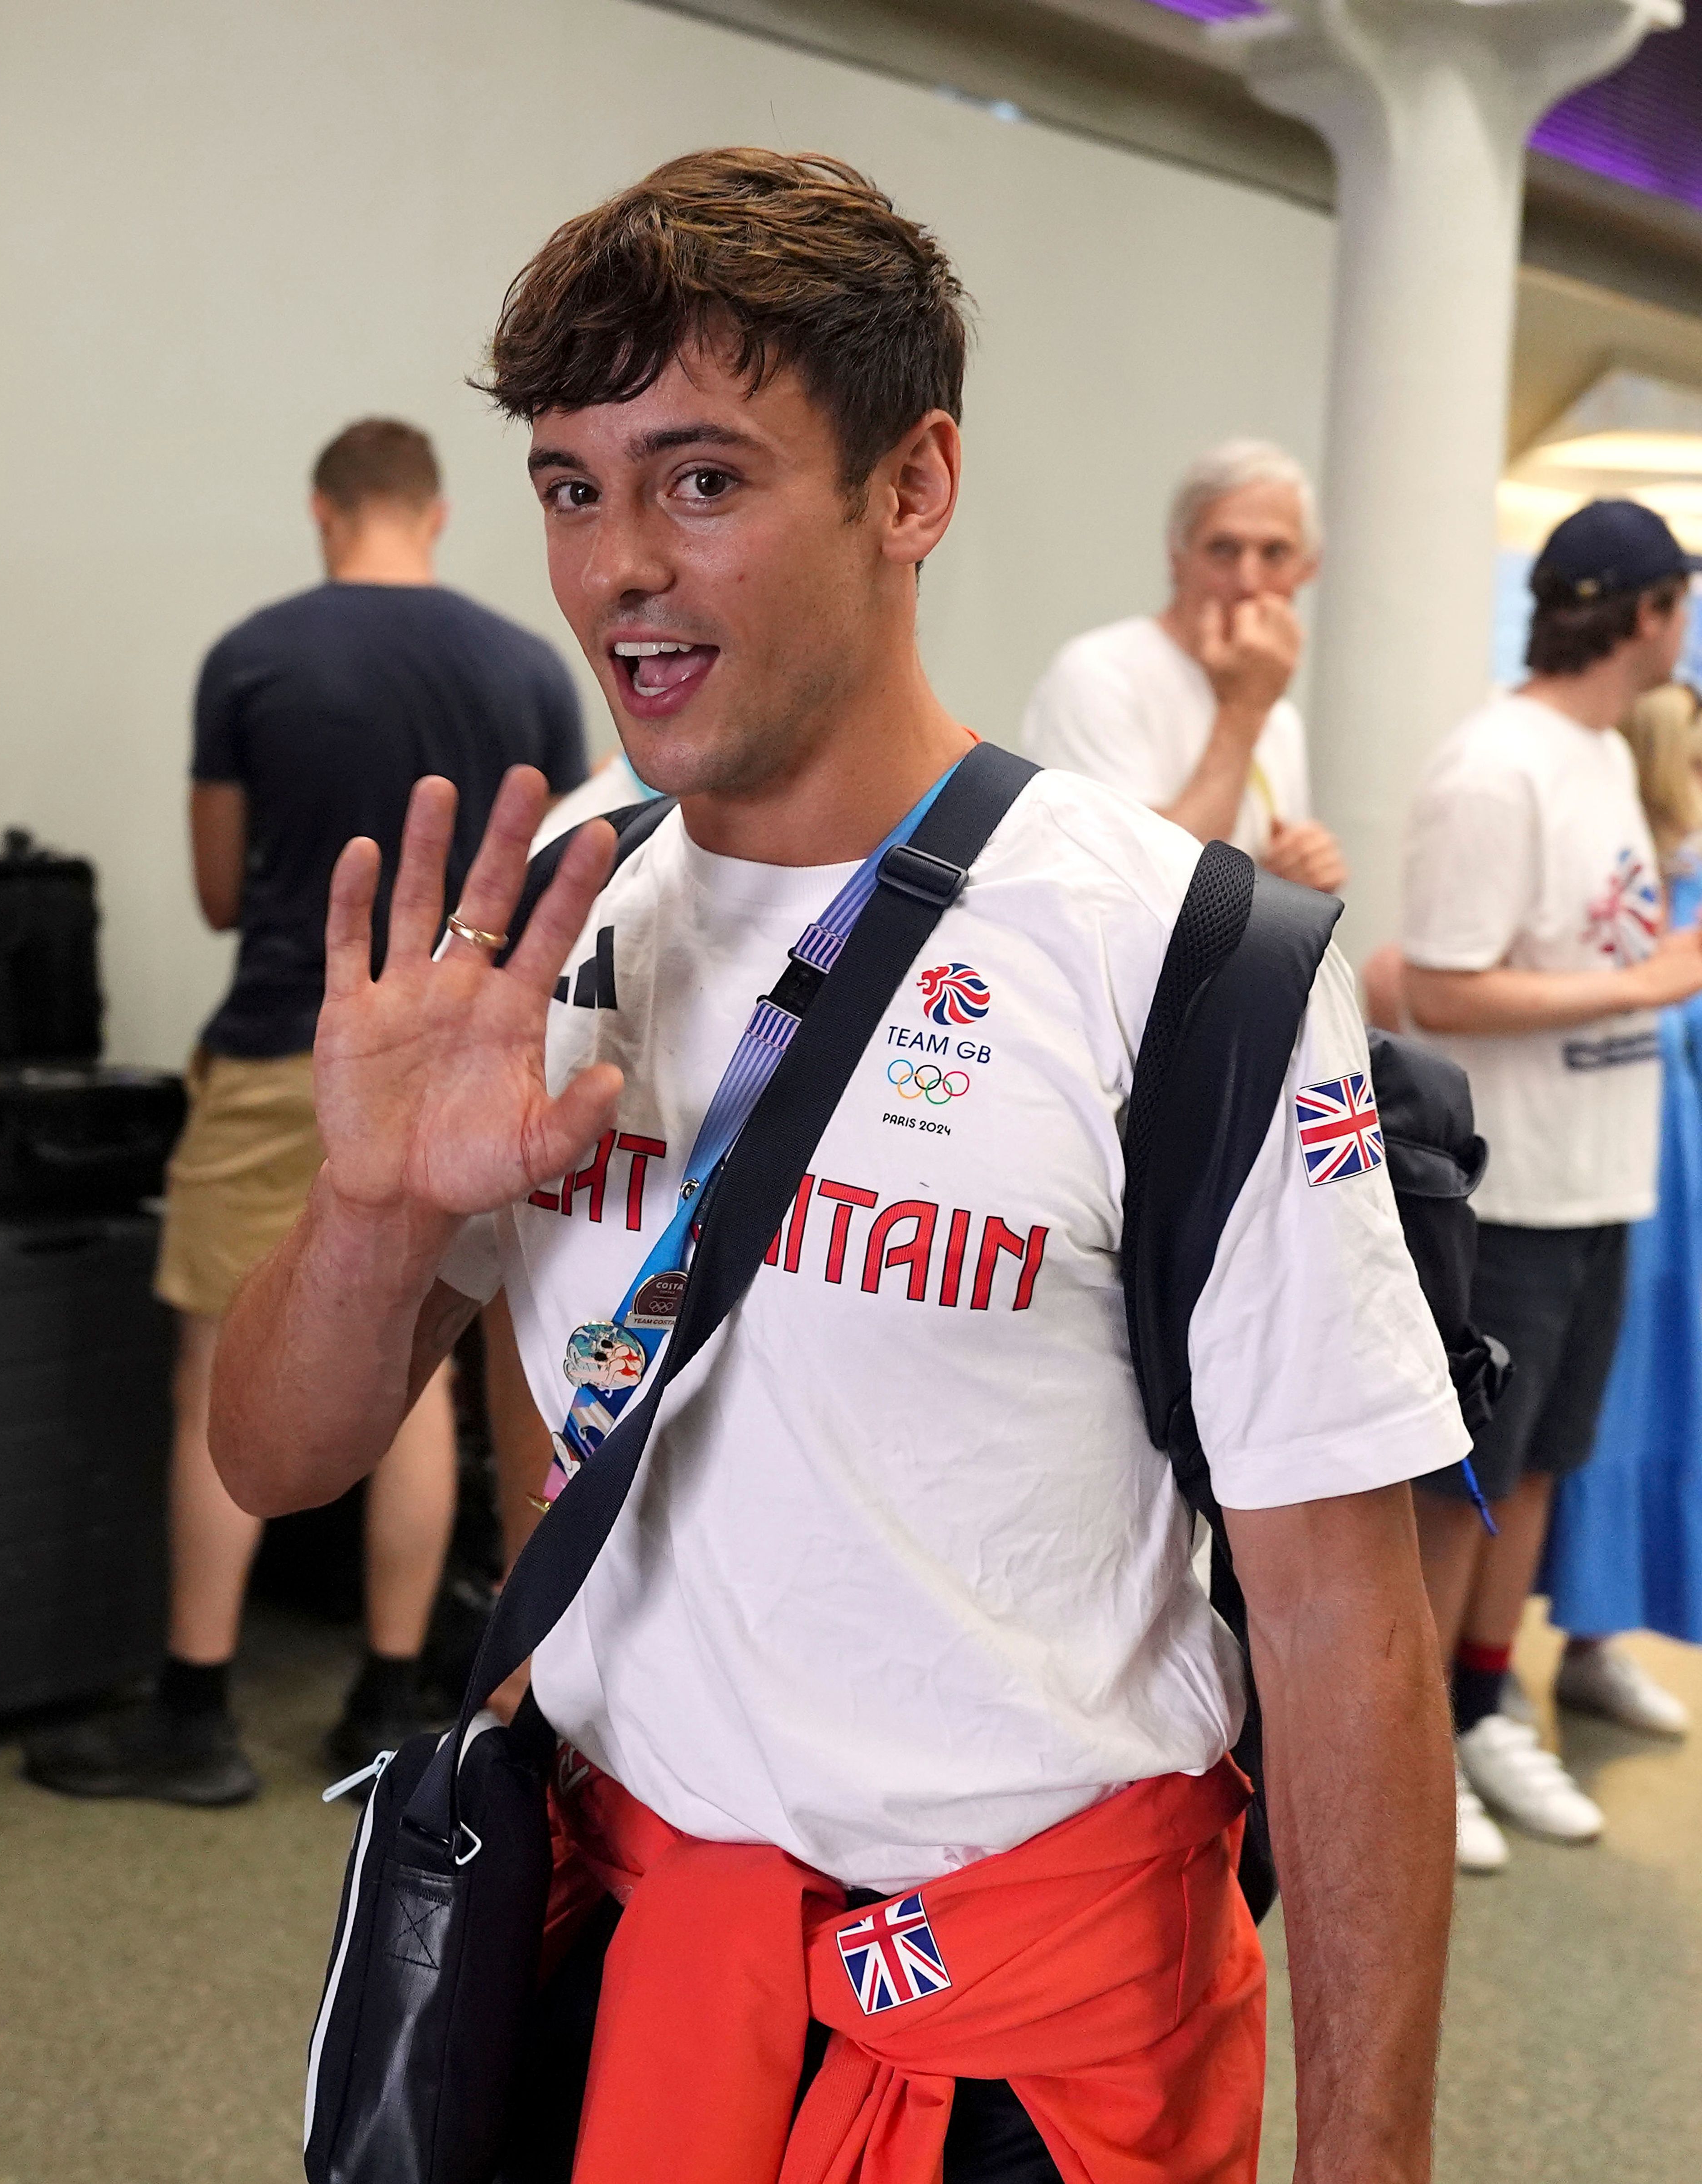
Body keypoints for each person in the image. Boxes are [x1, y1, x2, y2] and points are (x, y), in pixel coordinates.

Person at [211, 152, 1463, 2180]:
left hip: (1018, 2038)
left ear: (912, 486)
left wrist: (1371, 2158)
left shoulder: (1178, 957)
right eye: (570, 485)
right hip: (614, 1970)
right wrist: (369, 1206)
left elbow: (1341, 1625)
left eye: (702, 480)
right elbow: (274, 1457)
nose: (619, 564)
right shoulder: (553, 926)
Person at [24, 418, 588, 1808]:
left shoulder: (254, 654)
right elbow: (573, 873)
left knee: (225, 1364)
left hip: (291, 1043)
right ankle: (385, 1697)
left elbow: (221, 890)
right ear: (436, 514)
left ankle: (195, 1706)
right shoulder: (527, 664)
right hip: (462, 1069)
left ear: (327, 510)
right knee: (411, 1381)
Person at [1400, 501, 1702, 1875]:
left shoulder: (1593, 754)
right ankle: (1409, 1743)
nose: (1684, 628)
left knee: (1533, 1467)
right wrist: (1636, 983)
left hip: (1596, 1181)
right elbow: (1440, 986)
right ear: (1637, 611)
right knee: (1466, 1479)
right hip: (1507, 1187)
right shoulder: (1493, 763)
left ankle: (1478, 1703)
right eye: (1676, 603)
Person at [1541, 680, 1702, 1708]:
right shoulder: (1629, 895)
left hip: (1671, 1190)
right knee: (1583, 1410)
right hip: (1611, 1177)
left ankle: (1596, 1637)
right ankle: (1486, 1677)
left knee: (1651, 1408)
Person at [1020, 439, 1346, 893]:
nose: (1249, 582)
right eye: (1224, 550)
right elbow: (1137, 886)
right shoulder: (1099, 674)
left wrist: (1303, 873)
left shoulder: (1280, 716)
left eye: (1274, 553)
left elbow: (1254, 892)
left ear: (1308, 569)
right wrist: (1243, 710)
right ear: (1178, 558)